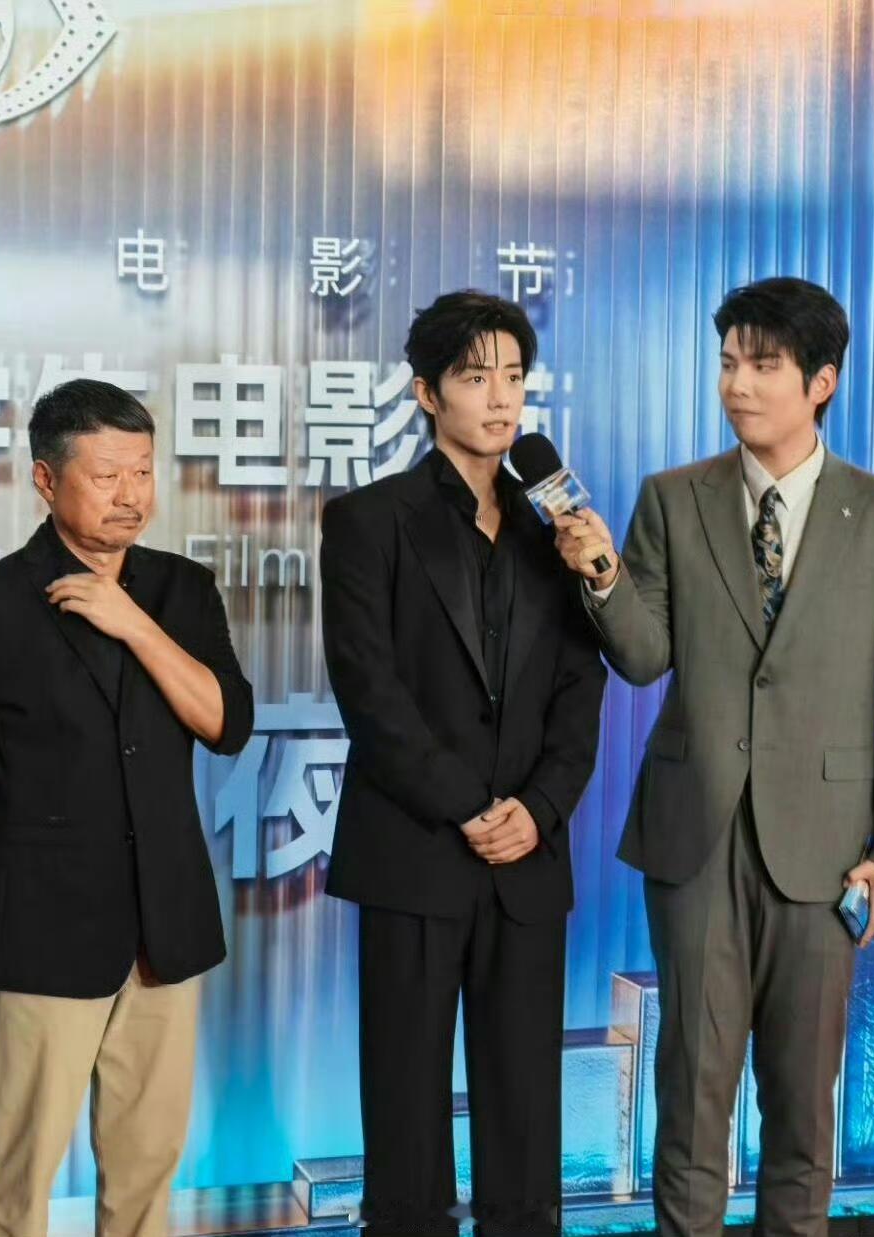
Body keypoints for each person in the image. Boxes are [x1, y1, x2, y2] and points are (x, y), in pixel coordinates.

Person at [554, 276, 874, 1237]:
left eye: (763, 365)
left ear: (821, 382)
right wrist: (601, 575)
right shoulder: (672, 498)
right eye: (727, 363)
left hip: (829, 847)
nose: (737, 384)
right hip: (697, 838)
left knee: (803, 1111)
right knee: (691, 1102)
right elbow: (644, 656)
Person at [320, 290, 606, 1237]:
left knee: (525, 1112)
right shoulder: (369, 520)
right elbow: (370, 693)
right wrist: (470, 806)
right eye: (476, 377)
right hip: (414, 848)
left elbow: (582, 686)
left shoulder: (555, 526)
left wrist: (539, 808)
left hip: (528, 856)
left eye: (514, 377)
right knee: (405, 1108)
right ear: (426, 393)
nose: (500, 397)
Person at [0, 379, 253, 1237]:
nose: (130, 494)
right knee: (17, 1183)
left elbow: (227, 724)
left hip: (165, 929)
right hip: (38, 936)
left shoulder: (181, 589)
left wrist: (133, 622)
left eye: (142, 471)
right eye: (106, 476)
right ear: (46, 480)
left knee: (146, 1177)